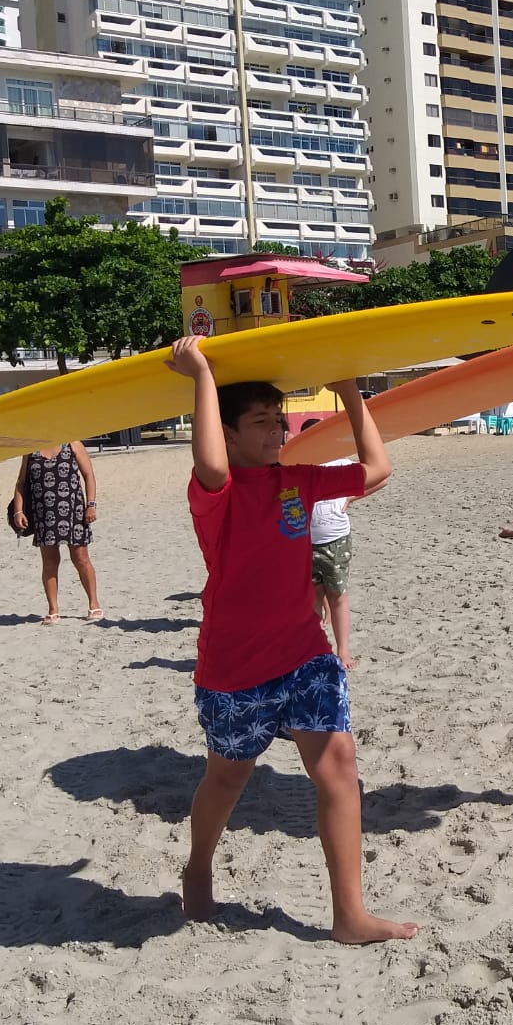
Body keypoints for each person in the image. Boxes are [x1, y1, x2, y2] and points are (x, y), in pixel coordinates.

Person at [165, 335, 415, 943]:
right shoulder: (214, 495)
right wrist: (200, 373)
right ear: (224, 430)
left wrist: (352, 389)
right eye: (261, 423)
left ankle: (349, 914)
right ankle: (198, 867)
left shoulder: (296, 481)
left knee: (339, 767)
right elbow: (214, 463)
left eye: (280, 421)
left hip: (304, 653)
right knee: (227, 777)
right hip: (236, 665)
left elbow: (377, 469)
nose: (277, 433)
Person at [299, 417, 367, 671]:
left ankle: (343, 652)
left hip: (336, 539)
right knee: (312, 598)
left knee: (337, 596)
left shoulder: (340, 464)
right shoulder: (298, 467)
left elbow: (377, 477)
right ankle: (315, 649)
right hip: (305, 542)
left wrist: (349, 499)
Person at [11, 442, 100, 624]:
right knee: (50, 561)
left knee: (80, 557)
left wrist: (91, 505)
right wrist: (18, 511)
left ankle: (94, 602)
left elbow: (88, 475)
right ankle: (53, 609)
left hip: (74, 509)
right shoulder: (30, 449)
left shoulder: (72, 443)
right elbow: (21, 482)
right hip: (44, 512)